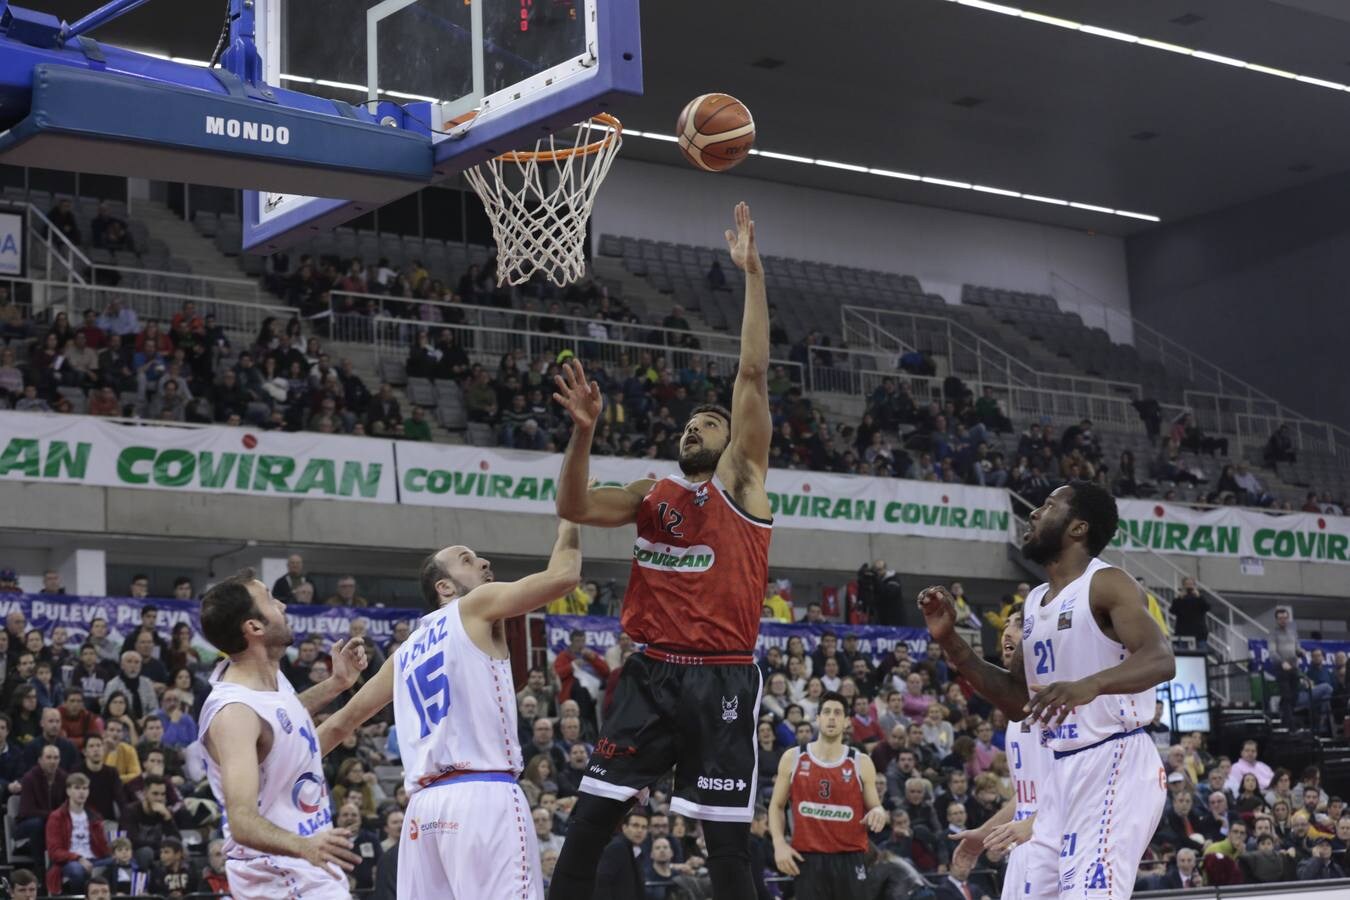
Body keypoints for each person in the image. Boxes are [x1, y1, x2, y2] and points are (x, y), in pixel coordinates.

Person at [550, 203, 773, 900]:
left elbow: (751, 377)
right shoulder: (653, 492)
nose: (694, 428)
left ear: (729, 437)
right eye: (688, 422)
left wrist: (753, 275)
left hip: (720, 677)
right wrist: (583, 433)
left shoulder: (741, 481)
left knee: (726, 849)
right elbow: (574, 507)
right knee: (588, 826)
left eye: (707, 422)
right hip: (648, 675)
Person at [918, 481, 1175, 900]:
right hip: (1063, 771)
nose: (1035, 513)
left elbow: (1161, 659)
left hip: (1116, 758)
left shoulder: (1108, 583)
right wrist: (952, 643)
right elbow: (1020, 701)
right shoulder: (1035, 602)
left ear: (1078, 528)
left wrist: (1088, 686)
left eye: (1049, 506)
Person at [318, 521, 583, 899]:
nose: (484, 562)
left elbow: (340, 723)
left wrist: (277, 771)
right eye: (467, 560)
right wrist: (571, 520)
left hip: (423, 811)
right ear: (445, 587)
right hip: (482, 795)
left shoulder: (404, 652)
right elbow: (563, 578)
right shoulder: (473, 606)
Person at [197, 569, 370, 898]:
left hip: (303, 862)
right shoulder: (234, 713)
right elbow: (242, 820)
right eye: (270, 600)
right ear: (254, 627)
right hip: (278, 869)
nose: (283, 606)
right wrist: (303, 846)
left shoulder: (269, 684)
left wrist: (337, 684)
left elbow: (284, 721)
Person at [950, 611, 1049, 900]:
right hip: (1025, 850)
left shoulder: (1061, 700)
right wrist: (983, 834)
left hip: (1063, 848)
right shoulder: (1014, 717)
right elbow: (1027, 798)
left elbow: (1083, 785)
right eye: (1005, 625)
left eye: (1018, 624)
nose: (1007, 631)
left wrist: (1034, 824)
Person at [768, 690, 887, 899]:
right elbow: (777, 805)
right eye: (827, 712)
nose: (832, 717)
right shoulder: (793, 757)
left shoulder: (861, 762)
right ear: (818, 718)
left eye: (838, 713)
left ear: (847, 722)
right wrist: (779, 844)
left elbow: (876, 806)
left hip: (851, 858)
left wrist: (878, 812)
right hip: (809, 858)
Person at [45, 772, 111, 895]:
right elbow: (55, 852)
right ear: (68, 791)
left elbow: (103, 848)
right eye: (77, 788)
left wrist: (113, 851)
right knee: (76, 870)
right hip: (68, 862)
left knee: (120, 862)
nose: (82, 792)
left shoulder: (95, 816)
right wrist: (79, 858)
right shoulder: (57, 817)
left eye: (85, 788)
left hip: (95, 859)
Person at [1269, 607, 1303, 728]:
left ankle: (1284, 717)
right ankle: (1290, 725)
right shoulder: (1273, 633)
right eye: (1280, 618)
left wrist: (1301, 652)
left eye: (1285, 618)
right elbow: (1272, 652)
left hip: (1294, 667)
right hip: (1281, 669)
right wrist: (1282, 662)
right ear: (1277, 620)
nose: (1283, 620)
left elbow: (1297, 647)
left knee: (1294, 696)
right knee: (1287, 696)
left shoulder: (1293, 631)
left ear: (1288, 618)